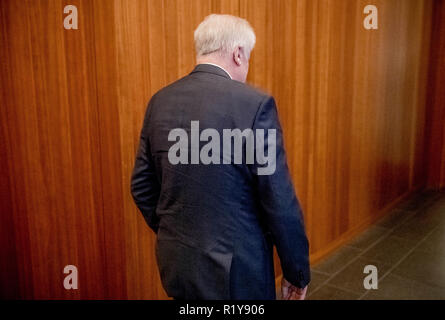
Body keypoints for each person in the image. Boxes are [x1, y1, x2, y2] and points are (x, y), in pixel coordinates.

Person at [131, 14, 310, 300]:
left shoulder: (159, 101)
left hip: (177, 260)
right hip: (237, 272)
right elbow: (279, 199)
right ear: (238, 54)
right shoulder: (255, 105)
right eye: (248, 58)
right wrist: (296, 271)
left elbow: (141, 185)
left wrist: (172, 229)